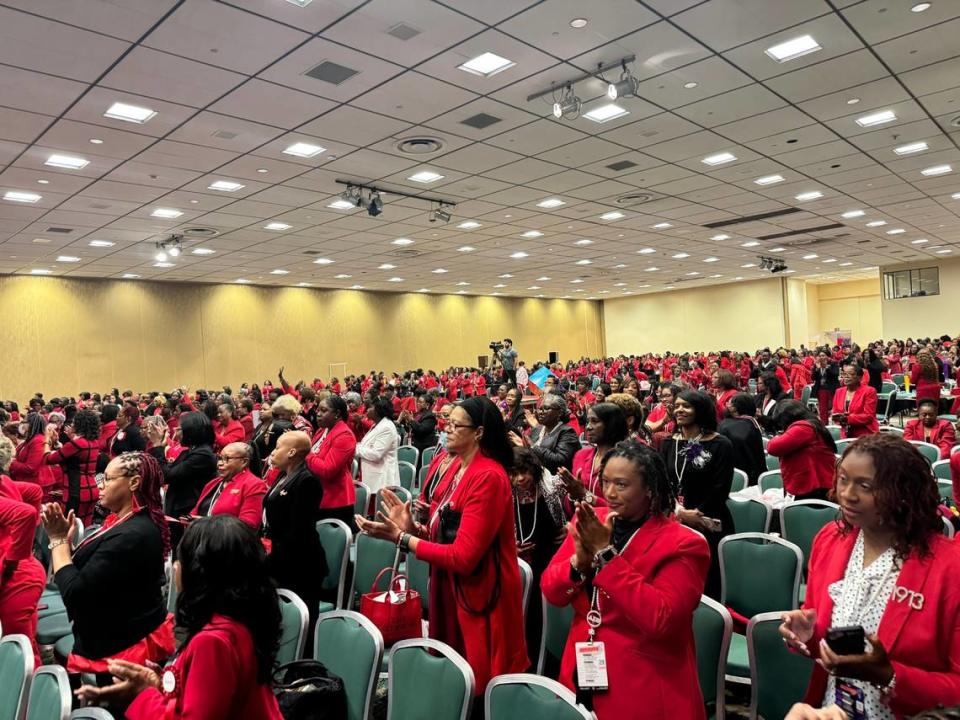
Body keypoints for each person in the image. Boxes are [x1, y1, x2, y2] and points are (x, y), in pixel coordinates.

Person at [356, 396, 528, 697]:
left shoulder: (487, 476)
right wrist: (411, 529)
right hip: (452, 588)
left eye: (454, 425)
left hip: (481, 595)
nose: (445, 430)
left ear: (478, 432)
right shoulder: (456, 469)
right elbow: (446, 536)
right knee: (454, 679)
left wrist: (402, 539)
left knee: (477, 685)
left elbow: (463, 557)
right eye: (446, 424)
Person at [780, 434, 960, 718]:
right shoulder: (830, 539)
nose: (848, 494)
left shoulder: (951, 567)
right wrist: (810, 637)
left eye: (865, 486)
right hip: (833, 710)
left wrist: (889, 675)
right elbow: (827, 638)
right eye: (843, 479)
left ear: (904, 492)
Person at [541, 441, 711, 718]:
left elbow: (662, 619)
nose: (609, 493)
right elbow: (551, 591)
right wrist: (578, 565)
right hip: (583, 663)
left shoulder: (684, 544)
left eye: (621, 485)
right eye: (605, 481)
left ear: (649, 489)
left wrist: (606, 556)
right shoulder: (591, 519)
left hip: (645, 681)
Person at [78, 515, 283, 719]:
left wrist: (142, 694)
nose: (176, 566)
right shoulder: (240, 620)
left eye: (182, 560)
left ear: (199, 572)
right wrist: (162, 683)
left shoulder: (212, 642)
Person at [40, 452, 173, 674]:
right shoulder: (122, 521)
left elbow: (75, 594)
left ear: (133, 483)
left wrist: (58, 541)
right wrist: (67, 545)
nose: (99, 485)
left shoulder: (132, 535)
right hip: (116, 630)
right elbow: (95, 573)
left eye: (107, 479)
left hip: (120, 647)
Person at [661, 390, 734, 599]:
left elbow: (720, 488)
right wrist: (679, 512)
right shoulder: (669, 443)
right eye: (677, 406)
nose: (679, 410)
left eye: (686, 406)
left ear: (700, 410)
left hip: (709, 521)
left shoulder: (719, 444)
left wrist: (697, 512)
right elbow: (663, 483)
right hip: (675, 519)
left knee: (707, 586)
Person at [263, 431, 326, 637]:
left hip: (300, 562)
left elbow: (299, 530)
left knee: (302, 623)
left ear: (291, 452)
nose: (273, 452)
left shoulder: (307, 481)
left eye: (278, 447)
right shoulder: (283, 475)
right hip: (279, 555)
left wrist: (270, 554)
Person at [510, 447, 566, 664]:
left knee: (540, 617)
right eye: (514, 473)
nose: (521, 478)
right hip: (517, 563)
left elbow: (578, 512)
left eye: (525, 472)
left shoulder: (553, 490)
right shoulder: (506, 493)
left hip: (548, 560)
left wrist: (569, 527)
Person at [0, 435, 46, 668]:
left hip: (17, 578)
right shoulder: (4, 482)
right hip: (25, 572)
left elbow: (25, 514)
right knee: (25, 643)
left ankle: (29, 700)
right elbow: (34, 492)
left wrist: (11, 561)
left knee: (16, 648)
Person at [147, 411, 218, 549]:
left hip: (186, 512)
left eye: (179, 429)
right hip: (179, 508)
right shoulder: (191, 451)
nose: (175, 431)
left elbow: (166, 476)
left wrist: (157, 446)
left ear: (191, 431)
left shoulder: (202, 455)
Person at [559, 403, 629, 509]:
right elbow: (569, 508)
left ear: (611, 424)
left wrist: (584, 494)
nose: (588, 427)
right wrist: (573, 495)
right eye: (587, 422)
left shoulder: (626, 461)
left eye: (594, 421)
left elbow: (624, 510)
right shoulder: (581, 456)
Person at [767, 400, 837, 501]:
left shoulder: (804, 427)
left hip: (816, 488)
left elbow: (773, 447)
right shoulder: (812, 424)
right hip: (818, 485)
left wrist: (777, 437)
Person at [188, 442, 266, 530]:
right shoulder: (213, 483)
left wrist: (206, 522)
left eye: (226, 459)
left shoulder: (255, 485)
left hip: (229, 541)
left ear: (244, 462)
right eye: (220, 458)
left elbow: (248, 525)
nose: (220, 463)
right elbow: (195, 512)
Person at [305, 395, 357, 528]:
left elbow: (327, 470)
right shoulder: (322, 430)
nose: (318, 414)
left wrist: (305, 453)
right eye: (318, 410)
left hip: (335, 501)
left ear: (337, 414)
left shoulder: (345, 435)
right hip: (317, 495)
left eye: (323, 410)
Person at [43, 407, 100, 525]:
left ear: (80, 425)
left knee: (70, 527)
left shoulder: (77, 443)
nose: (71, 424)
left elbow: (48, 459)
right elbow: (74, 456)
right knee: (84, 527)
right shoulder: (93, 442)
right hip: (91, 489)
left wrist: (47, 439)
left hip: (76, 490)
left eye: (74, 422)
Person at [524, 393, 580, 473]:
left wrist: (533, 447)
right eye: (540, 409)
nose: (541, 412)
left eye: (546, 408)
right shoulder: (537, 429)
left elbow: (559, 461)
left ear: (559, 413)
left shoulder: (567, 433)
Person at [718, 392, 766, 486]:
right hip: (751, 474)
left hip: (736, 475)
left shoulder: (728, 425)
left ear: (736, 408)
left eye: (730, 403)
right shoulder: (751, 422)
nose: (727, 405)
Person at [356, 397, 401, 494]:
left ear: (378, 411)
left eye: (370, 407)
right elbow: (365, 445)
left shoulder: (386, 427)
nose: (366, 410)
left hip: (382, 481)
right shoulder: (376, 425)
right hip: (371, 476)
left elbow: (376, 454)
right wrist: (358, 446)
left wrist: (355, 448)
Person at [831, 364, 880, 439]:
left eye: (851, 374)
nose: (846, 376)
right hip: (845, 433)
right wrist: (837, 418)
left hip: (865, 434)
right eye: (844, 374)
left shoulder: (869, 391)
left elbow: (868, 416)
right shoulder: (839, 391)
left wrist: (848, 418)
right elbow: (835, 412)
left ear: (859, 378)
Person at [10, 412, 52, 499]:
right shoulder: (30, 439)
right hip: (29, 481)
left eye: (24, 422)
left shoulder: (38, 441)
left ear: (30, 424)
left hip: (36, 483)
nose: (21, 425)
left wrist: (11, 463)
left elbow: (31, 467)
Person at [398, 392, 437, 464]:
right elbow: (411, 430)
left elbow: (421, 430)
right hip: (413, 444)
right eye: (417, 402)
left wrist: (411, 420)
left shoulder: (430, 416)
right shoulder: (418, 414)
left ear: (427, 405)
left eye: (420, 402)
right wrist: (405, 420)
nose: (417, 404)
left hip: (423, 446)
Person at [812, 351, 841, 427]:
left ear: (827, 357)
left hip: (831, 388)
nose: (821, 357)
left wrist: (826, 368)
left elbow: (835, 374)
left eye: (823, 355)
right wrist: (817, 369)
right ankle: (824, 426)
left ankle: (835, 425)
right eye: (820, 356)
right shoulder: (817, 365)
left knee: (834, 408)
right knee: (823, 409)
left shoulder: (833, 364)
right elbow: (813, 377)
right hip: (821, 389)